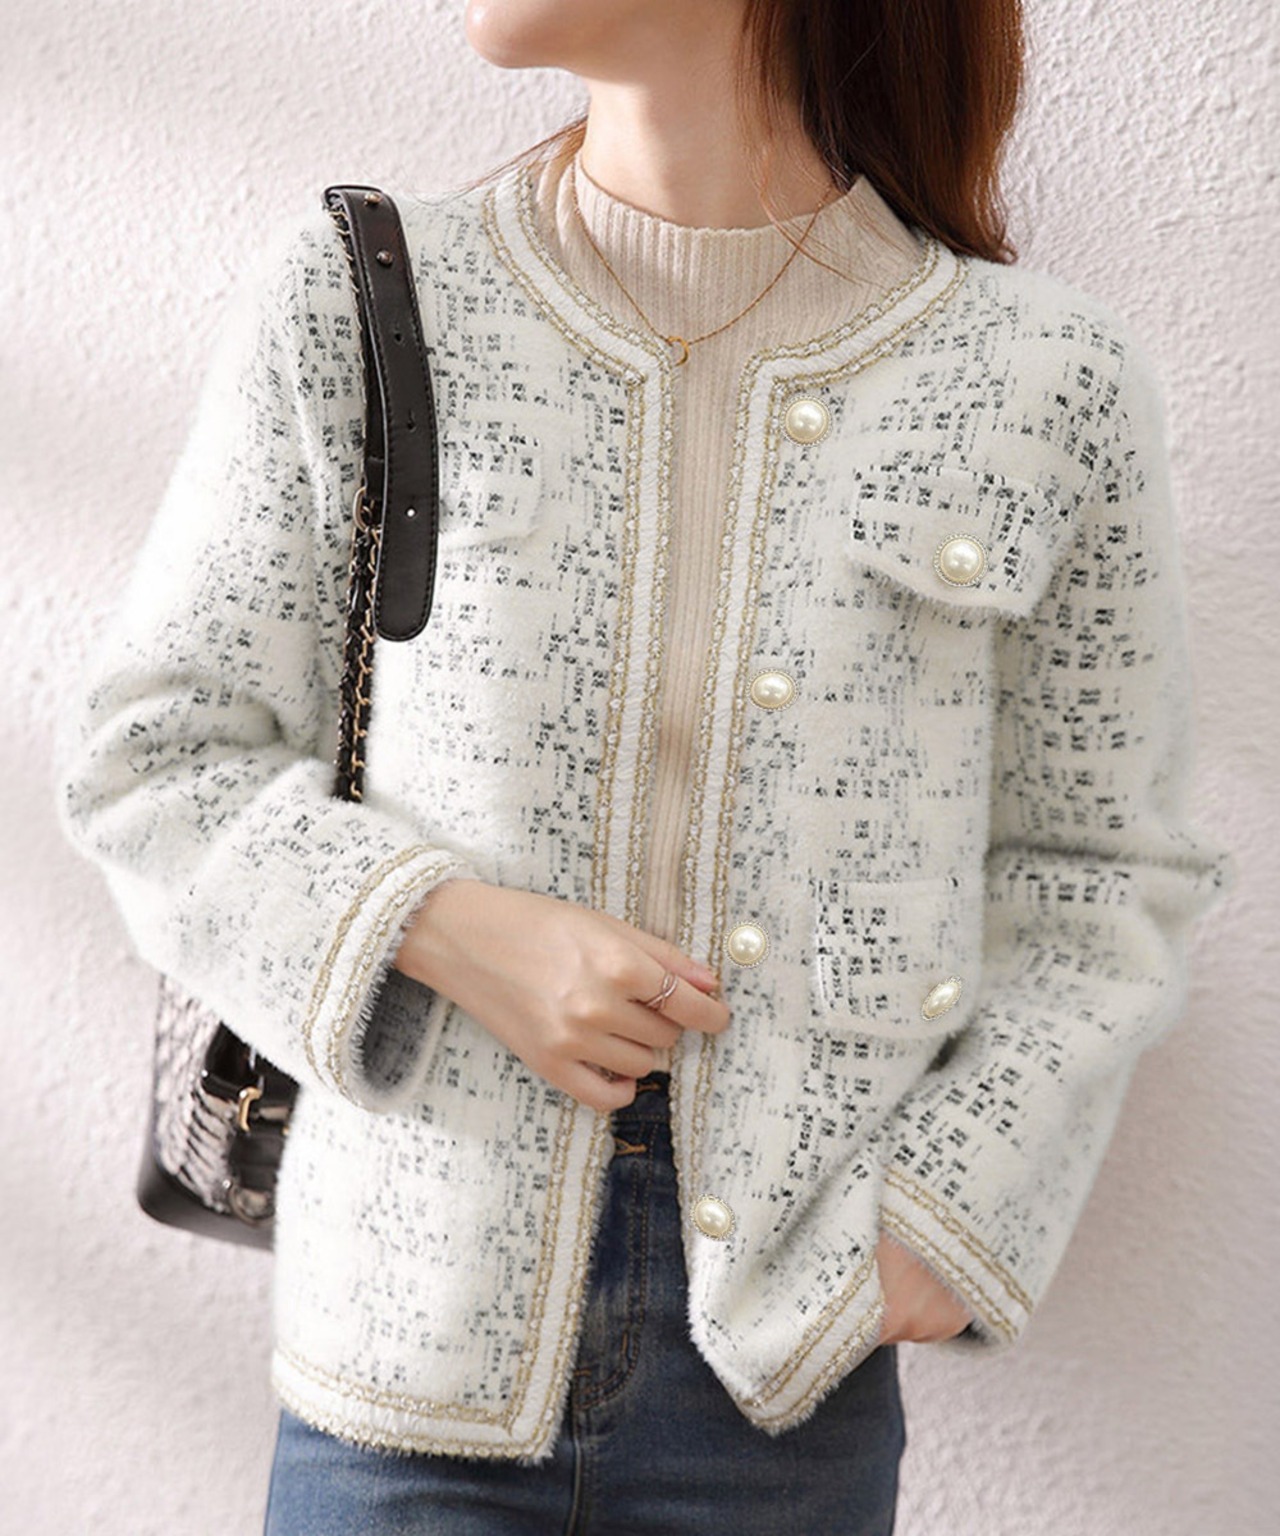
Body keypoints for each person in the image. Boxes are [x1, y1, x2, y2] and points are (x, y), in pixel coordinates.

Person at [56, 1, 1232, 1532]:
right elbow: (154, 758)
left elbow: (1100, 876)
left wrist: (947, 1214)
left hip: (783, 1371)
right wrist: (448, 928)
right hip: (406, 1346)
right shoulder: (371, 298)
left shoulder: (1041, 378)